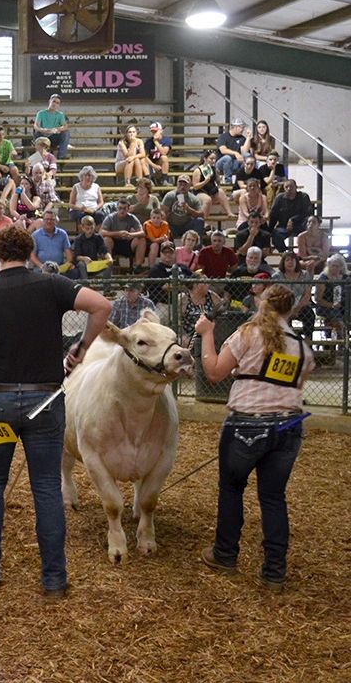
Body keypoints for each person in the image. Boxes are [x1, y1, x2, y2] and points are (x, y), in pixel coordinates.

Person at [0, 226, 110, 597]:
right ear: (30, 251)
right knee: (46, 488)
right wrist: (81, 348)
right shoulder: (51, 286)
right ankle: (54, 577)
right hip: (45, 399)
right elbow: (102, 306)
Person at [194, 284, 312, 591]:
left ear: (261, 304)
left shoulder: (247, 334)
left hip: (247, 424)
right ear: (288, 310)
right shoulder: (301, 346)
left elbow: (214, 372)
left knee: (231, 489)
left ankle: (225, 554)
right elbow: (288, 383)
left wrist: (207, 333)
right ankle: (274, 570)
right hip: (288, 427)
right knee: (273, 497)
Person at [267, 180, 313, 252]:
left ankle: (304, 252)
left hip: (300, 226)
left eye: (291, 186)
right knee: (276, 233)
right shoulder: (279, 198)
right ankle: (286, 253)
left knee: (309, 224)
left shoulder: (304, 197)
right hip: (284, 226)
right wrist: (269, 231)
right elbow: (273, 215)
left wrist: (293, 219)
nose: (289, 189)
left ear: (296, 187)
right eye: (286, 187)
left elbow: (308, 212)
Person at [162, 174, 206, 241]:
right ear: (177, 185)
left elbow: (201, 214)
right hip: (172, 226)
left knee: (199, 221)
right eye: (180, 184)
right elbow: (162, 213)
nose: (182, 187)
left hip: (186, 226)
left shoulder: (193, 199)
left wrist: (188, 209)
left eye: (185, 185)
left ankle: (197, 248)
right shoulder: (170, 196)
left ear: (189, 186)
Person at [33, 94, 70, 160]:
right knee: (37, 133)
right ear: (49, 101)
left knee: (66, 133)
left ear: (59, 105)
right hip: (43, 137)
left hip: (54, 137)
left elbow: (65, 126)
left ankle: (62, 155)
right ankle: (39, 157)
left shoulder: (60, 114)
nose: (55, 104)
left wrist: (57, 129)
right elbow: (36, 126)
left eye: (57, 103)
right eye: (54, 101)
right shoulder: (41, 113)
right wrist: (43, 130)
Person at [214, 119, 248, 184]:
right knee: (227, 158)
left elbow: (244, 151)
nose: (243, 129)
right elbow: (223, 150)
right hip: (221, 164)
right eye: (241, 127)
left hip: (234, 163)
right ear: (235, 127)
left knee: (247, 158)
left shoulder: (242, 138)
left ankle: (241, 181)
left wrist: (248, 138)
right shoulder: (223, 136)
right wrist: (235, 153)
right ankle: (228, 182)